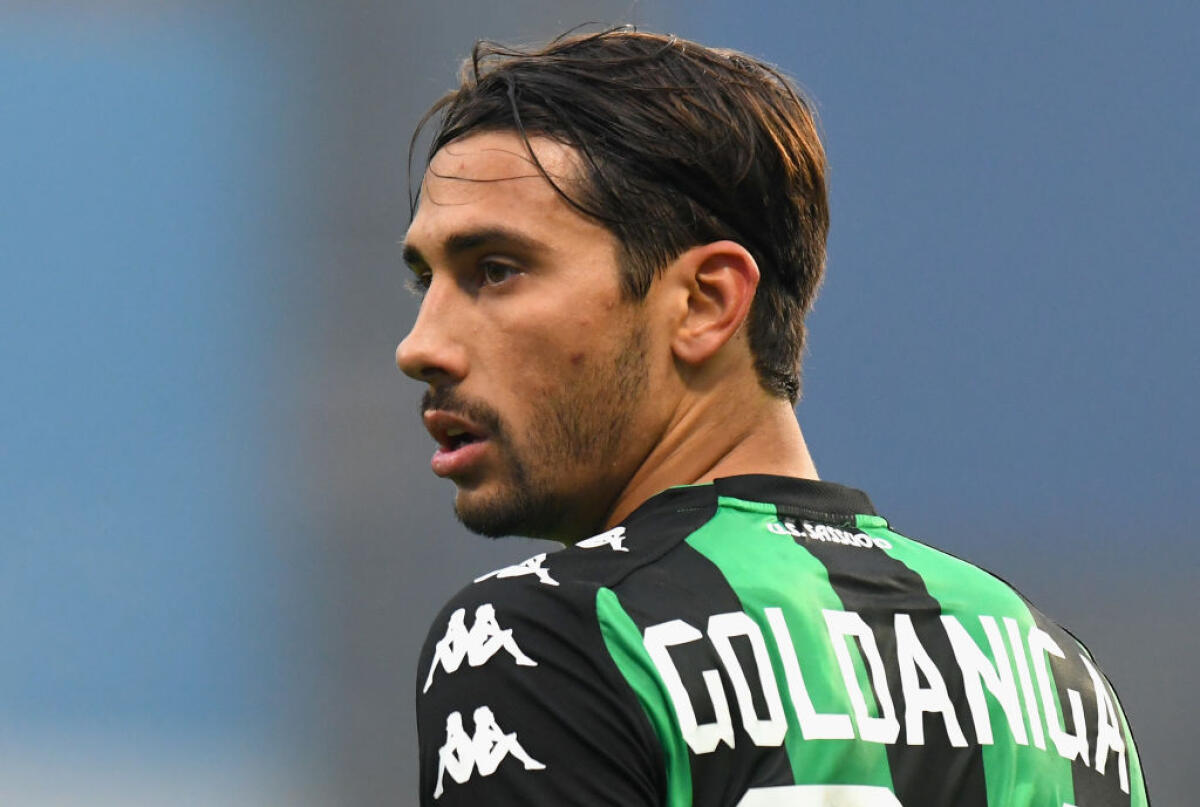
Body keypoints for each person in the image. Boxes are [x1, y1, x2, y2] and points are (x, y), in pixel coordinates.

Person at [396, 28, 1149, 807]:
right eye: (426, 280)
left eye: (495, 270)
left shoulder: (539, 636)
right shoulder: (1063, 678)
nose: (420, 346)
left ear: (706, 302)